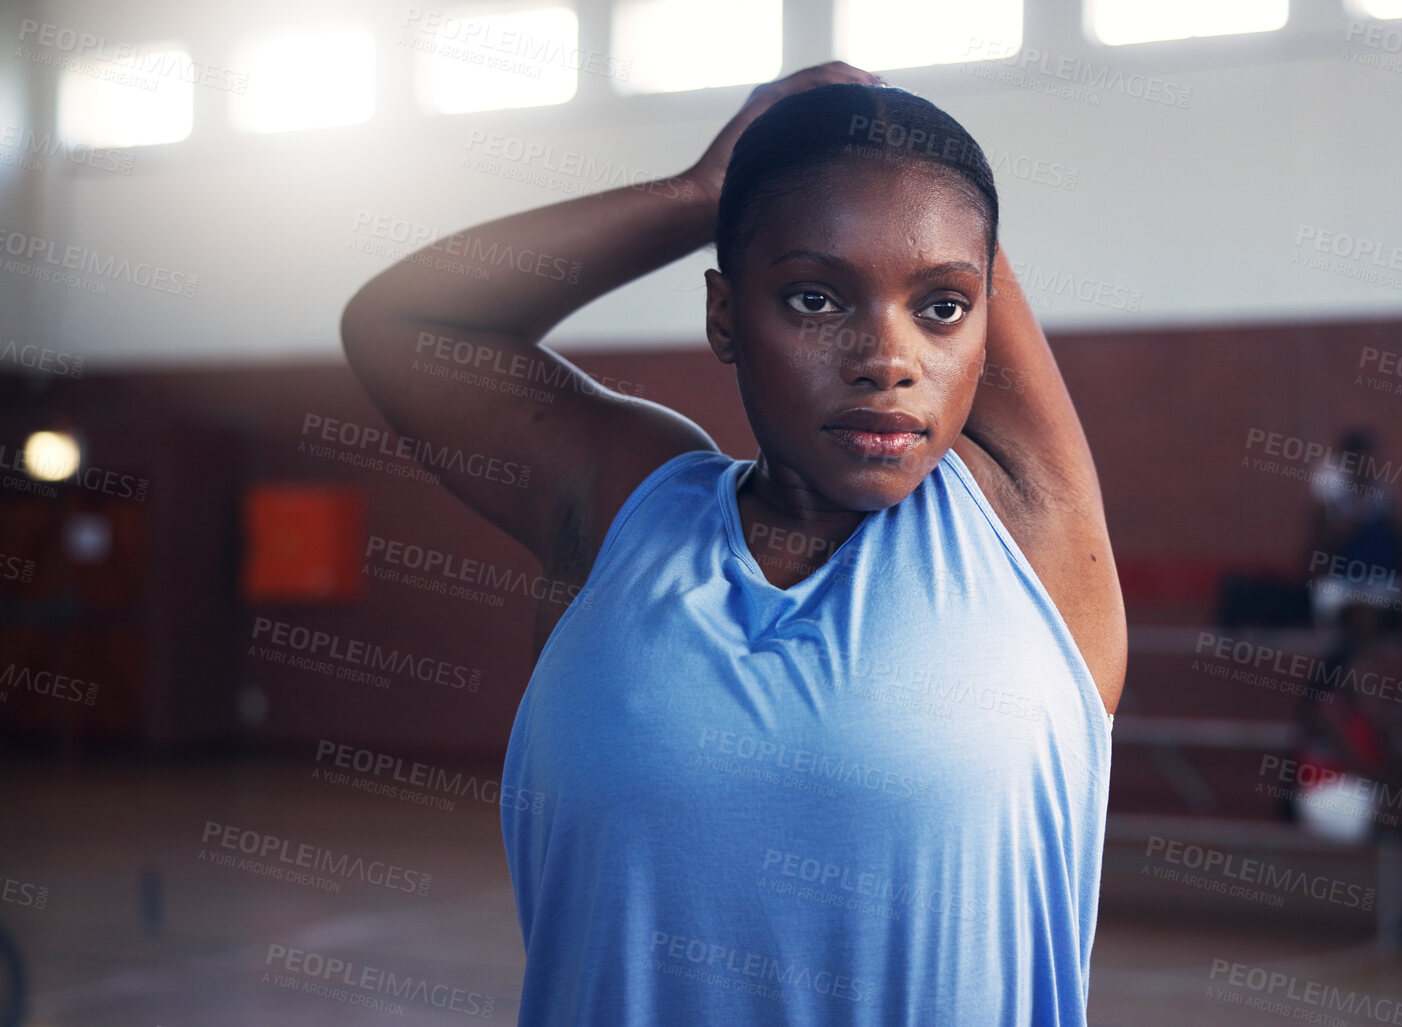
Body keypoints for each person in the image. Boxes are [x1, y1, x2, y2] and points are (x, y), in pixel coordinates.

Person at [340, 63, 1125, 1024]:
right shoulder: (628, 505)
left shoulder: (1024, 529)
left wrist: (881, 141)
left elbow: (961, 232)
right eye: (812, 299)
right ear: (724, 315)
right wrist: (699, 195)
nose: (887, 359)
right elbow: (404, 323)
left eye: (940, 308)